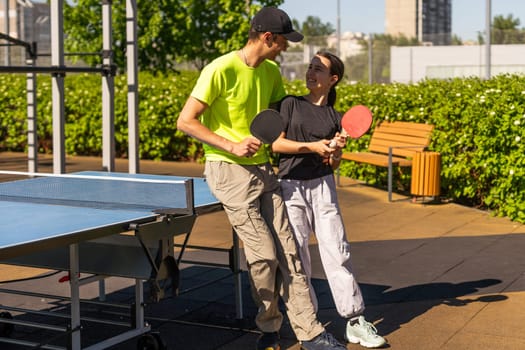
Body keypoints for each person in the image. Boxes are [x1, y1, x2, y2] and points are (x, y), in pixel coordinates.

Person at [176, 7, 346, 350]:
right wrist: (230, 144)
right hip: (227, 169)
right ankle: (269, 325)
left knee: (290, 253)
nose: (285, 48)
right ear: (268, 38)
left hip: (264, 169)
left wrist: (323, 143)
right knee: (264, 256)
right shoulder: (220, 69)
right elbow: (186, 121)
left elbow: (279, 124)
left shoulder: (270, 72)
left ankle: (309, 332)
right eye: (283, 41)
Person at [271, 51, 387, 349]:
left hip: (323, 186)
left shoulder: (335, 117)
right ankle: (308, 323)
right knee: (297, 258)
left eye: (318, 69)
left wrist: (335, 152)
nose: (311, 72)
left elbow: (333, 164)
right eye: (310, 66)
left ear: (332, 79)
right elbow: (277, 143)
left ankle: (355, 320)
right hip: (290, 187)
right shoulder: (290, 104)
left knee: (338, 251)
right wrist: (311, 146)